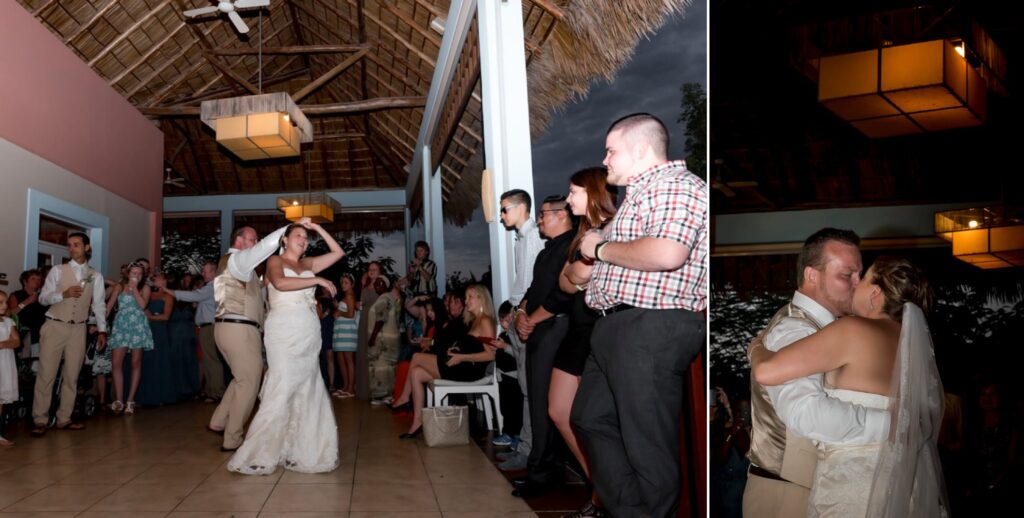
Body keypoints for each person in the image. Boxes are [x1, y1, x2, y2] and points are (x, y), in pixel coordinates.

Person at [569, 113, 706, 517]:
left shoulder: (675, 185)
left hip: (651, 324)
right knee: (589, 418)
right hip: (618, 326)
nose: (605, 160)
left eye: (611, 151)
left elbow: (667, 253)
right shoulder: (638, 196)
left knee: (647, 444)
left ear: (642, 149)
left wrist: (599, 248)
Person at [749, 256, 948, 517]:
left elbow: (766, 371)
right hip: (907, 486)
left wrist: (756, 349)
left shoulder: (853, 329)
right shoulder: (916, 346)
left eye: (863, 278)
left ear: (875, 294)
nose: (855, 285)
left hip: (855, 485)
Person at [741, 229, 892, 518]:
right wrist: (890, 425)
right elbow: (806, 413)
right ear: (812, 275)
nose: (857, 284)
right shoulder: (795, 330)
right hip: (788, 495)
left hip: (813, 491)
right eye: (847, 275)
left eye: (859, 275)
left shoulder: (828, 330)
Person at [228, 220, 344, 474]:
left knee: (307, 387)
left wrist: (317, 229)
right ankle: (260, 452)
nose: (303, 239)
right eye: (298, 235)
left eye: (306, 237)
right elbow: (280, 284)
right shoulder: (275, 261)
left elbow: (338, 253)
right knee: (281, 387)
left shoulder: (308, 263)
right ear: (285, 240)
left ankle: (299, 449)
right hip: (283, 331)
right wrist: (318, 280)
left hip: (308, 331)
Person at [550, 167, 617, 516]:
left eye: (573, 192)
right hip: (576, 328)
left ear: (592, 193)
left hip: (599, 327)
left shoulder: (615, 227)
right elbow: (565, 281)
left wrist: (577, 275)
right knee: (559, 411)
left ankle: (604, 495)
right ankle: (601, 489)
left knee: (590, 419)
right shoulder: (581, 234)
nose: (568, 199)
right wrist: (577, 276)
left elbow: (578, 274)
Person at [210, 218, 311, 451]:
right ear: (239, 240)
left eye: (256, 239)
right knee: (249, 382)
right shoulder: (238, 260)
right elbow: (265, 247)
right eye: (252, 239)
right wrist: (288, 228)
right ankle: (233, 438)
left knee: (240, 378)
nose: (256, 242)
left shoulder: (240, 268)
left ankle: (218, 421)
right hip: (239, 329)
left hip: (227, 328)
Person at [509, 195, 575, 486]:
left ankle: (543, 472)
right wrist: (521, 314)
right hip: (538, 329)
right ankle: (541, 467)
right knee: (537, 400)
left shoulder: (572, 247)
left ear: (561, 215)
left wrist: (531, 319)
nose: (539, 220)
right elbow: (533, 289)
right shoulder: (546, 252)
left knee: (544, 402)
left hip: (555, 329)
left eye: (543, 214)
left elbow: (561, 296)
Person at [391, 284, 496, 437]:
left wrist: (461, 357)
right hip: (460, 365)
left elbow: (491, 355)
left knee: (417, 357)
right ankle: (417, 421)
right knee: (416, 373)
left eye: (470, 297)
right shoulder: (474, 320)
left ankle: (405, 397)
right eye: (466, 298)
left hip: (470, 371)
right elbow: (472, 346)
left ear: (481, 299)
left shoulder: (485, 321)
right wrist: (456, 350)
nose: (466, 301)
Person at [32, 232, 108, 436]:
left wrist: (102, 330)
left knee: (72, 376)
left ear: (87, 247)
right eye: (69, 245)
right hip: (54, 326)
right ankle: (40, 419)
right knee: (46, 374)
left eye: (76, 244)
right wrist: (62, 295)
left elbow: (99, 305)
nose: (72, 249)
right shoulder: (58, 270)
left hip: (78, 329)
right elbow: (43, 298)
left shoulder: (95, 275)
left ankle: (64, 418)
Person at [107, 262, 154, 415]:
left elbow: (142, 305)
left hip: (137, 326)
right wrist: (98, 324)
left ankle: (130, 400)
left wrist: (134, 290)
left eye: (140, 273)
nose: (137, 276)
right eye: (134, 273)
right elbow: (109, 307)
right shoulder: (119, 287)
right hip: (121, 325)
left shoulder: (145, 288)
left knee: (135, 363)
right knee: (116, 364)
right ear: (128, 274)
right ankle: (119, 400)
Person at [172, 261, 223, 402]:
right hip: (209, 327)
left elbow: (192, 296)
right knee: (208, 360)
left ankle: (216, 392)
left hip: (209, 327)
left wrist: (171, 292)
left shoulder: (211, 287)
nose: (203, 273)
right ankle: (211, 390)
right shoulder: (213, 287)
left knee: (211, 360)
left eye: (205, 271)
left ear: (213, 272)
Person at [367, 276, 401, 405]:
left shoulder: (383, 298)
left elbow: (381, 318)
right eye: (375, 283)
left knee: (380, 366)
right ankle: (388, 395)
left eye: (380, 283)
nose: (377, 285)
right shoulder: (389, 298)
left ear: (387, 285)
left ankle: (382, 396)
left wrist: (373, 337)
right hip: (389, 338)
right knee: (388, 367)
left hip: (382, 339)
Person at [355, 261, 383, 400]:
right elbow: (361, 303)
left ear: (379, 271)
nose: (371, 271)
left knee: (374, 356)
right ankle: (363, 390)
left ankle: (377, 392)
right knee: (363, 354)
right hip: (363, 321)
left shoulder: (381, 285)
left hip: (374, 321)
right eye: (370, 269)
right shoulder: (365, 286)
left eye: (374, 269)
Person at [8, 270, 44, 364]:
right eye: (33, 279)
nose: (37, 281)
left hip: (41, 333)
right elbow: (11, 313)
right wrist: (27, 301)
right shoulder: (16, 295)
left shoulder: (42, 297)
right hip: (24, 332)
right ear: (25, 281)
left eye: (39, 279)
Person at [331, 273, 358, 398]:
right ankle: (346, 386)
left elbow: (351, 314)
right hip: (341, 331)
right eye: (342, 282)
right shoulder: (346, 296)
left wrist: (340, 313)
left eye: (346, 282)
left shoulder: (350, 296)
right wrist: (337, 309)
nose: (343, 285)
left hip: (348, 331)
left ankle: (351, 388)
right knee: (341, 360)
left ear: (352, 284)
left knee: (348, 360)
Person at [0, 290, 21, 446]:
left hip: (4, 363)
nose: (4, 305)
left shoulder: (8, 322)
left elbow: (16, 341)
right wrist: (8, 342)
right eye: (0, 302)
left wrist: (3, 343)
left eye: (5, 302)